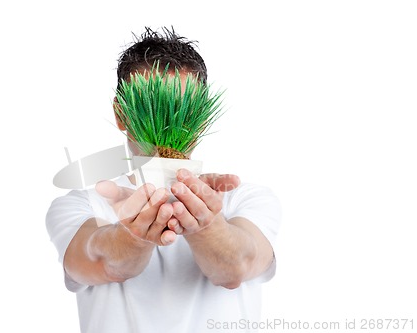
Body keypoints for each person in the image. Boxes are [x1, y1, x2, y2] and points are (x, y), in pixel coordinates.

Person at [46, 27, 281, 333]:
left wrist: (206, 224)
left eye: (183, 109)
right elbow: (100, 262)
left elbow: (237, 266)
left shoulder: (243, 197)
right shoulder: (82, 205)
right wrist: (133, 235)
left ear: (201, 115)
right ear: (121, 113)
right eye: (152, 106)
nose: (168, 122)